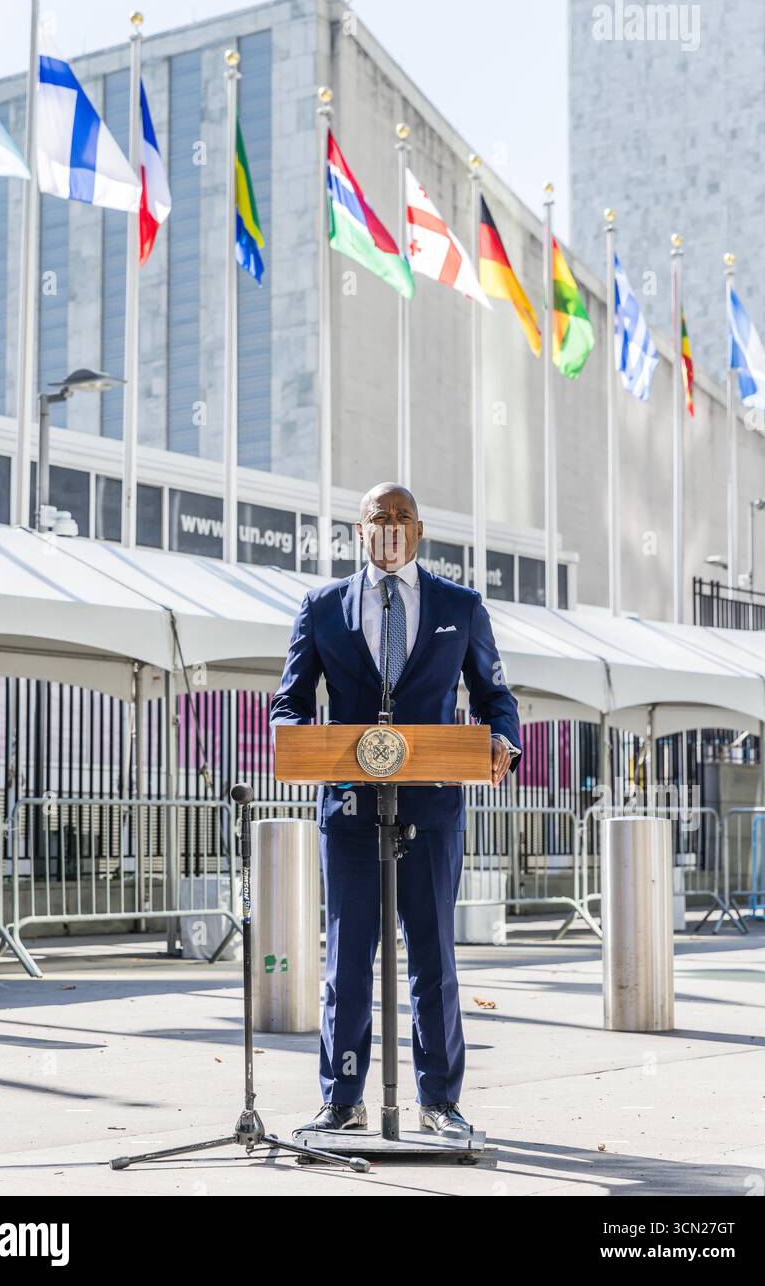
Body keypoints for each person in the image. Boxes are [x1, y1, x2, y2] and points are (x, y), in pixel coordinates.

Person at [270, 482, 521, 1135]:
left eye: (401, 516)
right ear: (358, 531)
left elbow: (494, 696)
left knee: (432, 954)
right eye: (376, 516)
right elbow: (290, 701)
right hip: (348, 807)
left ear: (418, 530)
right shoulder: (322, 605)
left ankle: (438, 1102)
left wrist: (502, 739)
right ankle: (342, 1100)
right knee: (346, 955)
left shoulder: (460, 606)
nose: (389, 524)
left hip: (432, 806)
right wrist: (295, 736)